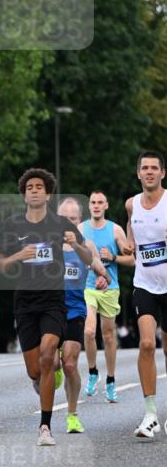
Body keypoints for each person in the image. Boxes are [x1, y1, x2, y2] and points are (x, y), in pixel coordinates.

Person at [0, 168, 92, 446]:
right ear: (24, 195)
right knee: (35, 370)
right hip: (25, 302)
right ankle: (43, 379)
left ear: (48, 194)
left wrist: (77, 245)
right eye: (30, 187)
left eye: (40, 187)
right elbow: (0, 265)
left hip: (53, 300)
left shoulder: (61, 223)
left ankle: (45, 427)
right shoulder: (13, 225)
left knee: (49, 355)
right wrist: (19, 255)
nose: (35, 190)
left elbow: (86, 257)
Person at [57, 198, 113, 433]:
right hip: (48, 311)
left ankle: (72, 415)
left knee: (70, 365)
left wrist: (103, 279)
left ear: (79, 221)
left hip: (75, 310)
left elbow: (102, 272)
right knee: (45, 366)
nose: (68, 224)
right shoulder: (45, 245)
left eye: (73, 219)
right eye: (63, 219)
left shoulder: (86, 245)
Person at [125, 151, 167, 438]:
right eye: (145, 168)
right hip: (144, 285)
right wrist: (129, 244)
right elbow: (133, 231)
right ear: (138, 174)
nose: (149, 172)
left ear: (162, 173)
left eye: (154, 168)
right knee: (147, 344)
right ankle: (151, 414)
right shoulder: (131, 205)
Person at [80, 191, 135, 402]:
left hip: (110, 289)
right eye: (93, 202)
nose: (96, 205)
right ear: (89, 206)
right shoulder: (81, 229)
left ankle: (111, 380)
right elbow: (71, 255)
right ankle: (93, 372)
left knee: (109, 335)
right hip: (89, 287)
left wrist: (112, 257)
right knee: (89, 330)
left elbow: (131, 260)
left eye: (100, 202)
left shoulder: (115, 230)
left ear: (106, 206)